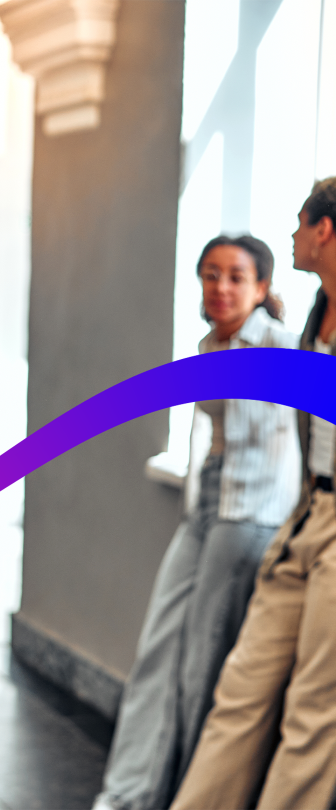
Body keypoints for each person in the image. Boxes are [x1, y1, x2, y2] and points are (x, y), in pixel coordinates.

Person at [92, 235, 300, 810]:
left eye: (236, 277)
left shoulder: (283, 348)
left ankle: (185, 794)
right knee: (159, 653)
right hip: (206, 509)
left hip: (250, 521)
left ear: (262, 287)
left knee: (202, 672)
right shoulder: (212, 344)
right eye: (211, 275)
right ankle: (128, 795)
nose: (221, 288)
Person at [171, 177, 336, 810]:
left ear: (324, 230)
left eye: (300, 223)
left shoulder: (279, 333)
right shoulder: (319, 312)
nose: (292, 235)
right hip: (307, 513)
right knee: (240, 689)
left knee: (314, 707)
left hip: (312, 517)